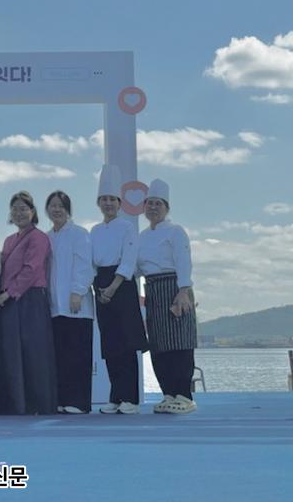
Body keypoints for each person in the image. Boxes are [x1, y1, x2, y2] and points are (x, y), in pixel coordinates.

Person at [90, 166, 148, 415]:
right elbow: (91, 262)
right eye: (104, 199)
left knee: (126, 342)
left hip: (122, 285)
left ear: (119, 203)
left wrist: (113, 287)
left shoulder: (126, 227)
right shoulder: (94, 230)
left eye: (112, 199)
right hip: (101, 284)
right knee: (110, 343)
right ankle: (115, 396)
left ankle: (130, 398)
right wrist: (98, 288)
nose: (108, 204)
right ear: (98, 203)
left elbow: (129, 260)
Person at [137, 179, 197, 414]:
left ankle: (184, 396)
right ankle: (168, 393)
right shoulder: (141, 236)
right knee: (159, 344)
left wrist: (183, 290)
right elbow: (136, 267)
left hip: (174, 287)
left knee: (180, 342)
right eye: (150, 203)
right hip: (152, 289)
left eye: (158, 204)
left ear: (167, 208)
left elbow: (184, 261)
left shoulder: (176, 231)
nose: (153, 207)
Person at [0, 191, 57, 415]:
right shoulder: (9, 240)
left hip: (30, 299)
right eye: (15, 209)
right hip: (10, 301)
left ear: (32, 212)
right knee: (12, 352)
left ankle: (37, 403)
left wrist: (9, 293)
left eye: (23, 208)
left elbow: (31, 269)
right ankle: (15, 404)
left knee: (33, 352)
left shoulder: (39, 238)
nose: (19, 213)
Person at [45, 190, 94, 414]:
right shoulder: (47, 237)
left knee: (78, 354)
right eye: (53, 206)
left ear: (68, 210)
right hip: (55, 306)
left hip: (77, 305)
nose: (56, 210)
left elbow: (84, 265)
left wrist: (77, 292)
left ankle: (79, 402)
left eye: (61, 206)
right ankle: (63, 399)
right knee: (60, 355)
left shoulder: (79, 233)